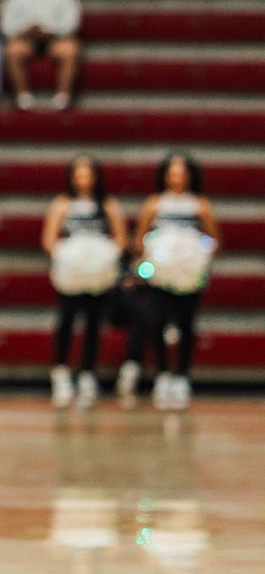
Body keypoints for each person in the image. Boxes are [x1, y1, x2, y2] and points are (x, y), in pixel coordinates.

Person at [127, 153, 221, 410]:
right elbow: (139, 239)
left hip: (189, 277)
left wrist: (196, 255)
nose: (177, 176)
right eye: (172, 171)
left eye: (182, 171)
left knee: (186, 324)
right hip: (160, 276)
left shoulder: (200, 205)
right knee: (156, 322)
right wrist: (150, 256)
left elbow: (213, 240)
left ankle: (181, 376)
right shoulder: (154, 204)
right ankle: (163, 374)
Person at [41, 155, 127, 409]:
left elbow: (120, 238)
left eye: (88, 172)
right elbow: (49, 239)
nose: (83, 178)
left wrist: (103, 258)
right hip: (70, 275)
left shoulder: (108, 205)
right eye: (78, 173)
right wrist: (68, 257)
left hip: (98, 274)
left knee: (93, 323)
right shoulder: (62, 204)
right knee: (66, 320)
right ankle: (60, 373)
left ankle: (88, 374)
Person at [0, 0, 83, 111]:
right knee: (12, 50)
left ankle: (63, 98)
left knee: (70, 49)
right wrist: (26, 30)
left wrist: (49, 30)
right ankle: (23, 98)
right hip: (25, 40)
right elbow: (6, 26)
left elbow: (72, 23)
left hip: (54, 40)